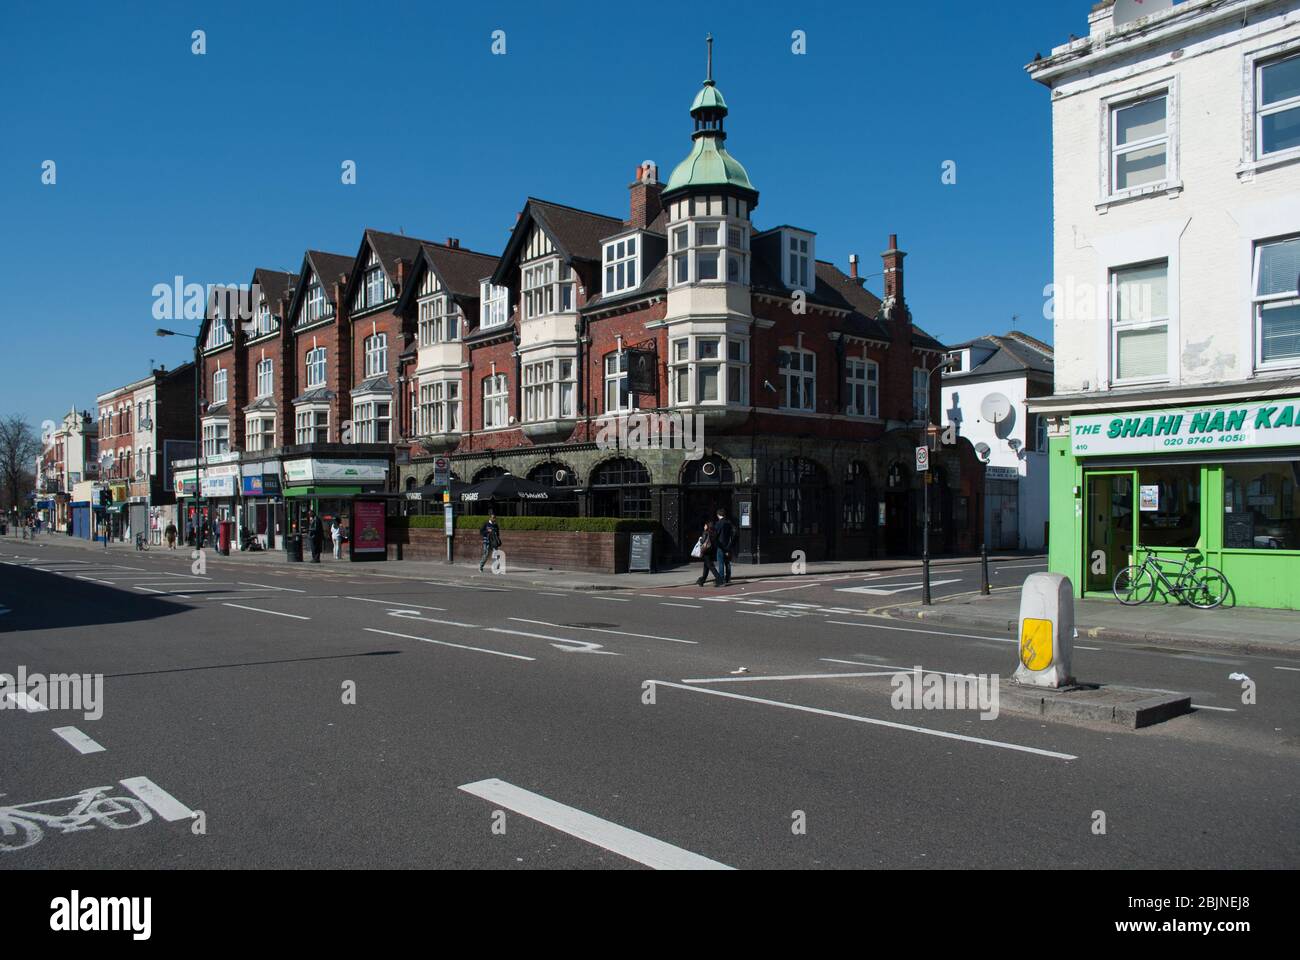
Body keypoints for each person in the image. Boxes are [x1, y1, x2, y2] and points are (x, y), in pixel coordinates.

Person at [713, 507, 735, 587]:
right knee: (727, 562)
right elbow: (734, 533)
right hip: (728, 545)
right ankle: (728, 578)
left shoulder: (718, 524)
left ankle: (721, 579)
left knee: (721, 563)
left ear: (718, 515)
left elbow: (715, 535)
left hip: (721, 546)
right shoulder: (729, 522)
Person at [694, 520, 718, 587]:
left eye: (705, 525)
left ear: (707, 526)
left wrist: (700, 539)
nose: (704, 526)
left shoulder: (706, 532)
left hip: (706, 551)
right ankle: (702, 580)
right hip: (711, 551)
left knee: (711, 567)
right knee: (706, 567)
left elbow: (703, 541)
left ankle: (720, 580)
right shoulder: (713, 532)